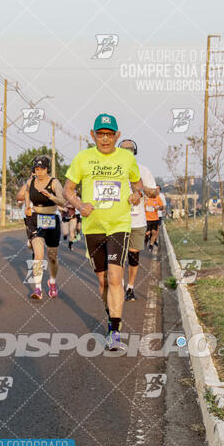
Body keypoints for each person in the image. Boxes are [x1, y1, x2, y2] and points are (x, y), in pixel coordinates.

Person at [63, 113, 143, 351]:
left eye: (109, 134)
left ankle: (114, 331)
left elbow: (137, 184)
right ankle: (111, 316)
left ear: (117, 135)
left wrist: (136, 195)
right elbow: (68, 189)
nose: (105, 139)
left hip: (119, 225)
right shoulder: (83, 158)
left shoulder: (127, 158)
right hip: (93, 228)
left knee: (115, 277)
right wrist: (79, 205)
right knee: (102, 281)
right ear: (93, 135)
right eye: (101, 134)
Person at [118, 138, 156, 302]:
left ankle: (130, 287)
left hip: (137, 220)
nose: (127, 151)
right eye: (124, 149)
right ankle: (118, 285)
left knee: (133, 256)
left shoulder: (143, 170)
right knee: (117, 256)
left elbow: (153, 192)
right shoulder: (113, 169)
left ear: (135, 152)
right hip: (116, 221)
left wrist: (141, 190)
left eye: (130, 149)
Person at [22, 155, 65, 299]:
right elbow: (27, 192)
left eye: (42, 169)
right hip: (35, 219)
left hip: (52, 219)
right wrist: (27, 206)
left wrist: (51, 196)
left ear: (47, 169)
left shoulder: (54, 183)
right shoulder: (30, 182)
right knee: (38, 254)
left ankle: (52, 281)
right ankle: (38, 289)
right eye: (37, 169)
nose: (39, 172)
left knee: (52, 256)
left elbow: (63, 201)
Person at [144, 188, 163, 252]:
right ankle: (146, 238)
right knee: (147, 233)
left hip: (155, 219)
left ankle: (151, 245)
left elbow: (162, 207)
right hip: (147, 219)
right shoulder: (146, 198)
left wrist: (157, 208)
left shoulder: (158, 198)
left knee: (154, 232)